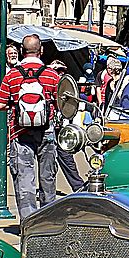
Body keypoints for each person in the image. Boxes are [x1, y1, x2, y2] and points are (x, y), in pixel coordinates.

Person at [0, 33, 61, 221]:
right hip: (46, 132)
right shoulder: (51, 75)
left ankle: (28, 223)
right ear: (41, 51)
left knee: (24, 180)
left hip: (20, 132)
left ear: (22, 52)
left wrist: (15, 105)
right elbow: (61, 102)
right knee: (47, 178)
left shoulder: (12, 75)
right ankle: (48, 222)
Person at [48, 59, 85, 193]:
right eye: (56, 71)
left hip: (62, 128)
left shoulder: (67, 88)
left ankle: (77, 185)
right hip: (47, 127)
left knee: (66, 156)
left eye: (61, 71)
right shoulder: (47, 85)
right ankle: (47, 189)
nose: (59, 74)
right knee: (48, 160)